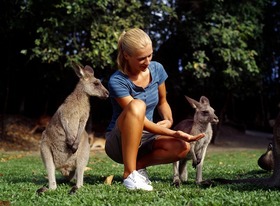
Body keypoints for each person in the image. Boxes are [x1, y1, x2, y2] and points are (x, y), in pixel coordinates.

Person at [105, 28, 205, 191]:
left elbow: (163, 102)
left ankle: (137, 167)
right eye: (141, 58)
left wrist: (169, 120)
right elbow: (139, 119)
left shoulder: (157, 69)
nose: (147, 62)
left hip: (149, 137)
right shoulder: (117, 81)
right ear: (126, 55)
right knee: (138, 105)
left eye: (150, 55)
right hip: (120, 141)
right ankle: (129, 175)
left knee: (182, 147)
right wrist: (173, 132)